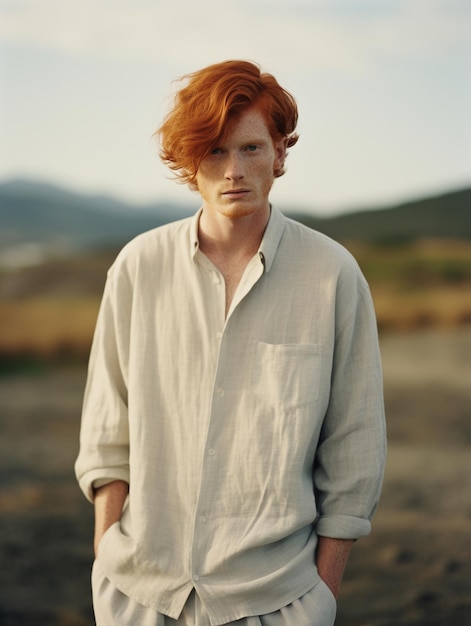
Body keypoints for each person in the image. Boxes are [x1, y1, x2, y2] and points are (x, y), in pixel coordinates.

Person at [75, 59, 386, 626]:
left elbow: (355, 447)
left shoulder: (333, 274)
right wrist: (106, 557)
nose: (233, 171)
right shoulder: (138, 267)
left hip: (277, 600)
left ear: (280, 153)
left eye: (250, 148)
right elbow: (106, 427)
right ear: (189, 162)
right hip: (138, 596)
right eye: (214, 152)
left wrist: (323, 593)